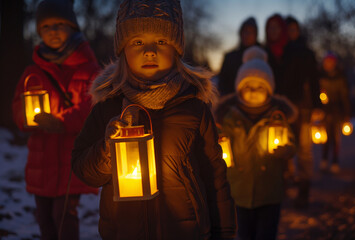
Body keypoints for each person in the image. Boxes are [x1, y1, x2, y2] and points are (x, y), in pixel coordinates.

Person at [70, 0, 237, 239]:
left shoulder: (194, 109)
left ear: (177, 50)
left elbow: (215, 176)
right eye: (138, 41)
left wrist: (224, 231)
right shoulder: (108, 109)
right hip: (125, 232)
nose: (150, 51)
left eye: (161, 41)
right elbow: (83, 169)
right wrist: (107, 151)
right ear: (123, 51)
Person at [11, 0, 100, 239]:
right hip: (42, 158)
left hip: (71, 160)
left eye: (60, 24)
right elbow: (18, 105)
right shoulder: (33, 73)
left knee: (64, 215)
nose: (54, 30)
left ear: (74, 27)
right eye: (47, 26)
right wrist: (27, 119)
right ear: (40, 32)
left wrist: (61, 122)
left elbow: (93, 110)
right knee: (44, 217)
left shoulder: (90, 70)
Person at [215, 46, 297, 240]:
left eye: (259, 86)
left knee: (266, 234)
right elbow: (218, 143)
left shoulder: (277, 116)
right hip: (239, 192)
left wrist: (286, 150)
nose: (253, 91)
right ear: (239, 90)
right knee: (244, 234)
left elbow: (291, 142)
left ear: (268, 90)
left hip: (269, 191)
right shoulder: (228, 117)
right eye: (248, 86)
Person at [279, 16, 322, 209]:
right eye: (288, 30)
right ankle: (287, 185)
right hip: (285, 106)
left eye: (294, 29)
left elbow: (314, 80)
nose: (291, 33)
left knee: (304, 149)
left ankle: (304, 189)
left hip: (303, 107)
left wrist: (317, 105)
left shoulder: (307, 53)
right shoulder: (281, 54)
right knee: (286, 148)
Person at [318, 52, 351, 173]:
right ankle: (324, 159)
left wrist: (347, 113)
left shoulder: (340, 78)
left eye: (330, 62)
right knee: (324, 136)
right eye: (326, 62)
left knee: (336, 137)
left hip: (337, 111)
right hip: (324, 112)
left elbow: (344, 96)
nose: (328, 64)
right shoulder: (320, 77)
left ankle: (335, 161)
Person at [217, 17, 260, 96]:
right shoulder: (230, 58)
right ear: (240, 33)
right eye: (245, 31)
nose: (248, 35)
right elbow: (222, 85)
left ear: (255, 35)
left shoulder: (261, 58)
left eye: (251, 32)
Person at [264, 13, 288, 88]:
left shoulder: (294, 52)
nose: (273, 30)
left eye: (276, 26)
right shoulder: (263, 54)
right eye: (270, 27)